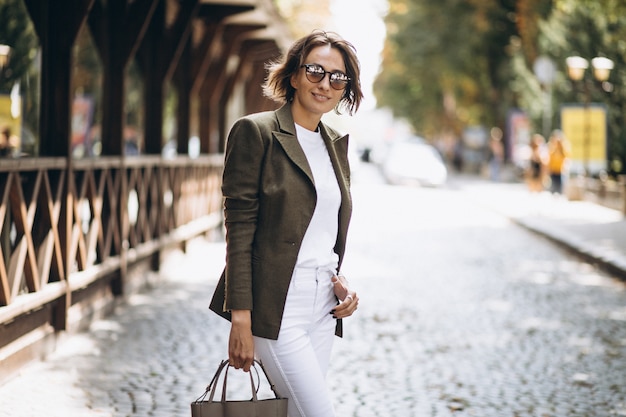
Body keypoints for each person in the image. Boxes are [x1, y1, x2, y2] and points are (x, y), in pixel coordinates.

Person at [209, 30, 363, 417]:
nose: (325, 83)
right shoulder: (256, 132)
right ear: (293, 75)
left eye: (337, 77)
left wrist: (340, 283)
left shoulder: (335, 143)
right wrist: (240, 317)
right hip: (278, 307)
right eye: (314, 71)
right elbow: (239, 231)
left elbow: (322, 231)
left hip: (325, 307)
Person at [547, 129, 570, 195]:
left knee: (560, 186)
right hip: (553, 170)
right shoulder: (552, 147)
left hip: (561, 170)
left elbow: (566, 158)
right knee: (553, 186)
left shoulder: (564, 148)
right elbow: (549, 159)